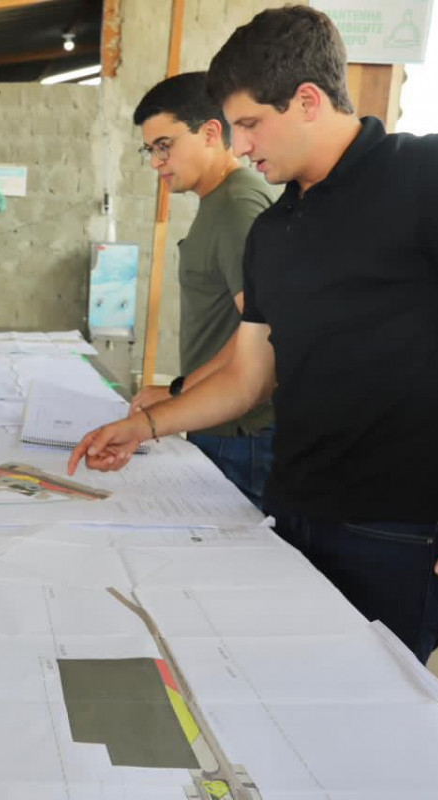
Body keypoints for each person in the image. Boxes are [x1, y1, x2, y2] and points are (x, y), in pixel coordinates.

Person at [69, 5, 438, 664]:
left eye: (248, 124)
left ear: (306, 100)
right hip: (290, 509)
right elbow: (247, 378)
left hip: (397, 527)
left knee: (375, 712)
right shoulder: (275, 229)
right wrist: (148, 425)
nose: (239, 147)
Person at [128, 72, 278, 507]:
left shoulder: (236, 206)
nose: (156, 161)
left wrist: (178, 391)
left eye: (164, 146)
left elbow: (263, 329)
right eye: (150, 149)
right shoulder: (219, 201)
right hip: (222, 423)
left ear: (212, 132)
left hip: (241, 431)